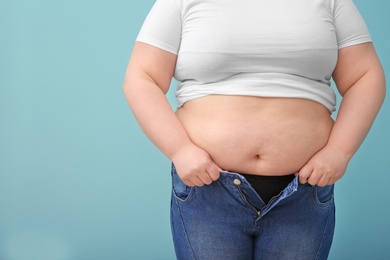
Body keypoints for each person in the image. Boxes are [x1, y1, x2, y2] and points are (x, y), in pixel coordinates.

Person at [123, 0, 386, 259]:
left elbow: (365, 75)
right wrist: (180, 150)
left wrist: (339, 151)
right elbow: (142, 77)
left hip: (303, 190)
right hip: (209, 190)